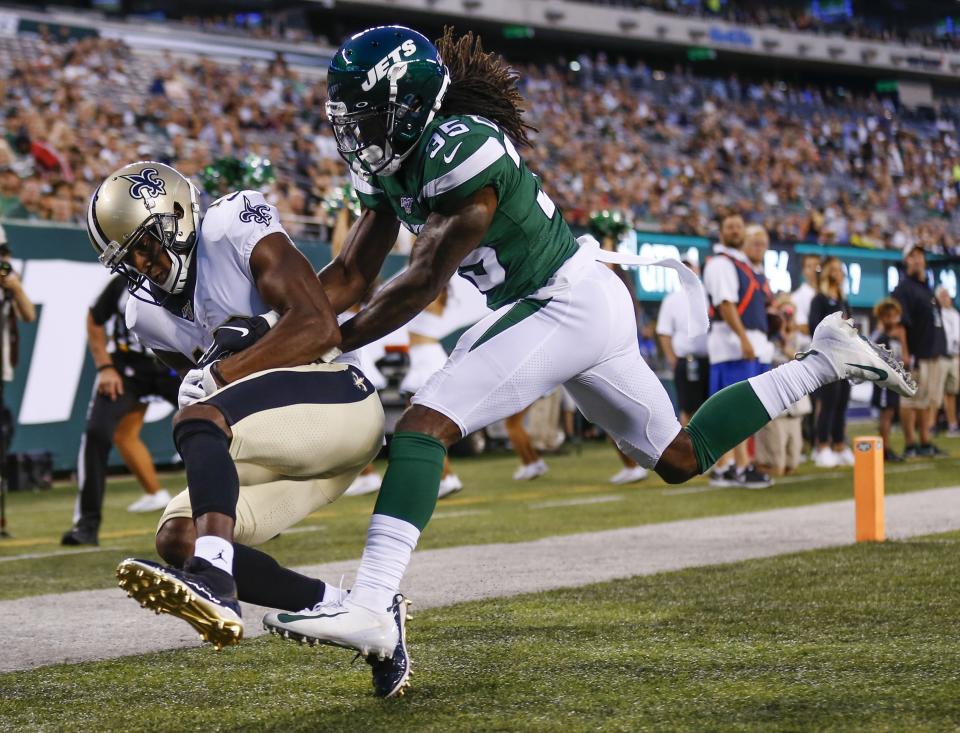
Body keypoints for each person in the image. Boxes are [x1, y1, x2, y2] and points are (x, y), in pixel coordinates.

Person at [262, 26, 915, 696]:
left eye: (367, 116)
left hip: (560, 301)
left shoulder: (463, 148)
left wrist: (328, 340)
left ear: (412, 105)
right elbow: (347, 275)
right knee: (678, 456)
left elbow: (423, 279)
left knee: (423, 425)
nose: (356, 135)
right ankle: (824, 359)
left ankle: (373, 602)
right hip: (581, 299)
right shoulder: (395, 162)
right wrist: (283, 332)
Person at [85, 162, 385, 664]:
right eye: (129, 257)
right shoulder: (146, 314)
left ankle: (216, 581)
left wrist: (224, 373)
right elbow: (209, 385)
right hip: (287, 444)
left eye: (146, 242)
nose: (143, 262)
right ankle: (347, 607)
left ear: (177, 215)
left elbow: (317, 325)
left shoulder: (229, 227)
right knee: (180, 537)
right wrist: (212, 381)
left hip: (339, 401)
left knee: (201, 420)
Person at [61, 275, 180, 546]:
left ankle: (246, 509)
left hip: (176, 366)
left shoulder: (184, 276)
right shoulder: (122, 281)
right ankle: (86, 525)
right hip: (128, 368)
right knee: (97, 433)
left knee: (222, 425)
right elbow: (94, 318)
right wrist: (105, 367)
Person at [703, 214, 772, 488]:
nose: (735, 230)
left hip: (742, 345)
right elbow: (726, 304)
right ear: (720, 232)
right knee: (739, 411)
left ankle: (726, 466)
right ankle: (741, 467)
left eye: (739, 226)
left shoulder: (740, 263)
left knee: (737, 411)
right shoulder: (721, 263)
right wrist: (744, 339)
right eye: (730, 226)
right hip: (732, 347)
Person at [892, 246, 948, 458]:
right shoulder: (903, 288)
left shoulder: (927, 288)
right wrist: (905, 352)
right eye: (911, 257)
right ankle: (910, 444)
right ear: (906, 262)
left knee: (927, 402)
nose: (916, 260)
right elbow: (900, 324)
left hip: (933, 353)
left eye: (919, 256)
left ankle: (925, 441)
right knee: (910, 401)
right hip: (916, 354)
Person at [754, 294, 811, 477]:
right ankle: (760, 464)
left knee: (792, 463)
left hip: (795, 403)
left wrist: (788, 346)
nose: (787, 316)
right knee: (775, 466)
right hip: (774, 402)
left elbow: (807, 362)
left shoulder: (801, 338)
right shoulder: (767, 337)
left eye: (790, 313)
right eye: (783, 313)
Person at [807, 257, 854, 468]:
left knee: (842, 402)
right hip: (828, 359)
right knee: (828, 404)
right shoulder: (819, 299)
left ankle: (838, 444)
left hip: (845, 359)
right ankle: (822, 446)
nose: (837, 272)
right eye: (832, 269)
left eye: (839, 269)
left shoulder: (844, 299)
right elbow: (814, 328)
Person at [656, 258, 709, 426]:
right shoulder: (671, 300)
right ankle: (690, 449)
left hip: (709, 360)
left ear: (697, 271)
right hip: (685, 361)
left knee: (711, 406)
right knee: (688, 409)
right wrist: (673, 360)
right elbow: (664, 333)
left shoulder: (707, 296)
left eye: (690, 268)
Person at [871, 298, 909, 462]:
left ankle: (885, 447)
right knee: (885, 415)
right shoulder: (881, 338)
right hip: (885, 382)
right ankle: (884, 448)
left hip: (895, 381)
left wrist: (902, 339)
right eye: (888, 316)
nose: (892, 319)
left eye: (894, 316)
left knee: (890, 413)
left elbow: (905, 360)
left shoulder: (897, 335)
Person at [936, 287, 959, 437]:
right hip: (941, 357)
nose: (946, 298)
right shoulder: (937, 314)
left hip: (955, 357)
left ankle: (952, 424)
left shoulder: (956, 314)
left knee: (952, 392)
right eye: (942, 295)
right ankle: (931, 425)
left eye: (947, 295)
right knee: (936, 394)